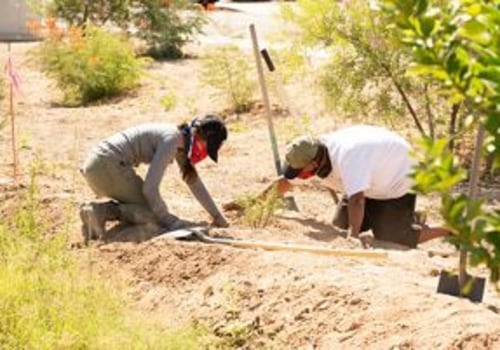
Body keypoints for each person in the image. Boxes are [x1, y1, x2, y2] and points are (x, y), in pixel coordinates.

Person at [244, 124, 450, 249]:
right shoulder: (314, 155)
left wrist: (352, 238)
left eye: (302, 171)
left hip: (396, 179)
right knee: (339, 226)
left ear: (315, 163)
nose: (301, 176)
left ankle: (448, 230)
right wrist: (251, 204)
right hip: (367, 181)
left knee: (393, 237)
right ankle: (409, 217)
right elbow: (285, 183)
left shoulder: (348, 158)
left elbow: (357, 199)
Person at [79, 114, 229, 243]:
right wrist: (170, 220)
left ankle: (103, 212)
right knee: (153, 215)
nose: (204, 152)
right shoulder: (172, 140)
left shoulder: (180, 140)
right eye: (206, 147)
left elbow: (193, 182)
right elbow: (150, 189)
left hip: (101, 165)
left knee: (151, 209)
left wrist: (217, 216)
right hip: (106, 166)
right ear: (199, 136)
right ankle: (99, 212)